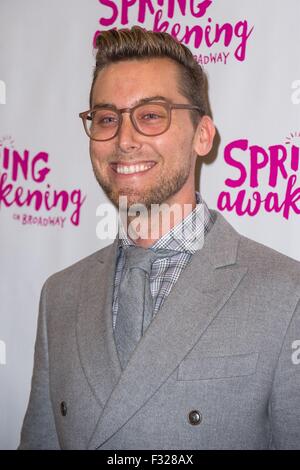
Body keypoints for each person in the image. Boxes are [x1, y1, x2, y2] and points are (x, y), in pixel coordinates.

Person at [19, 27, 300, 450]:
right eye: (107, 118)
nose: (124, 139)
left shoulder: (286, 293)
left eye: (151, 115)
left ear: (203, 135)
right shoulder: (59, 296)